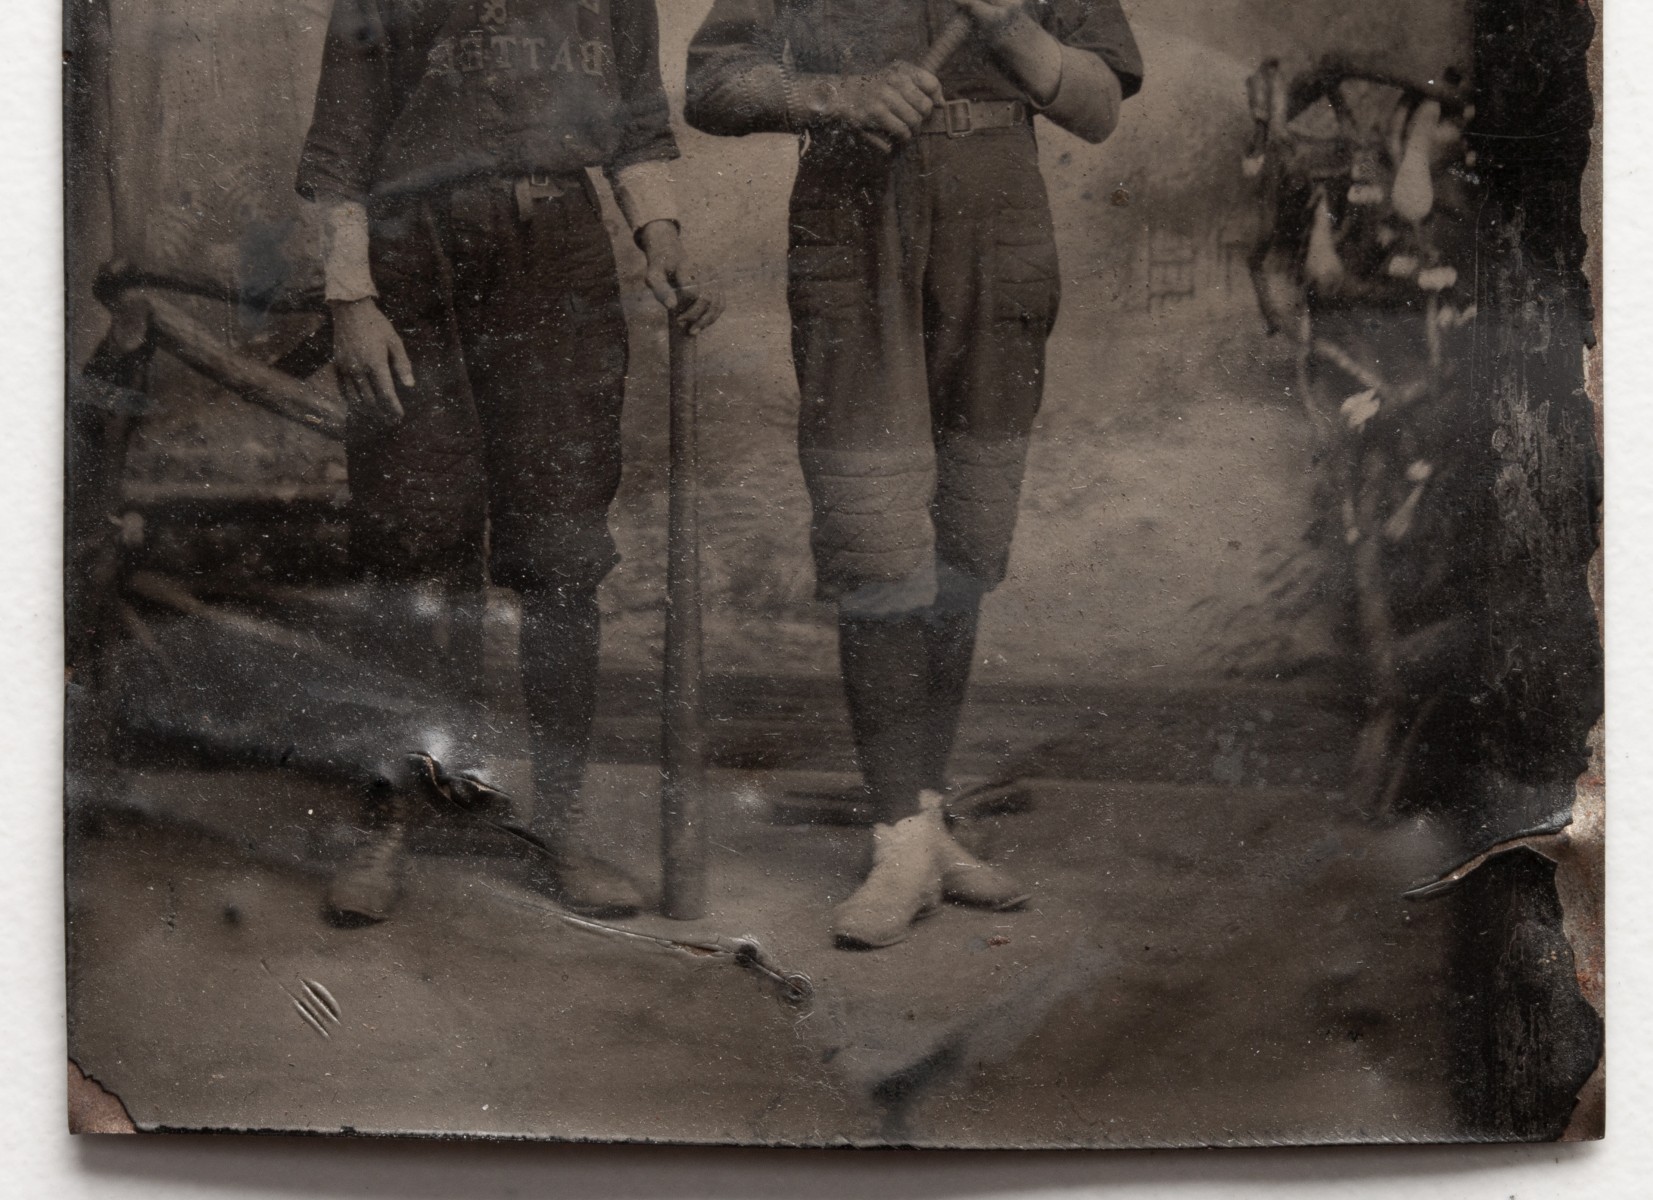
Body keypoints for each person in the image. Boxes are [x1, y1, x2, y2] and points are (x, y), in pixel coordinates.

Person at [685, 0, 1141, 948]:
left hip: (999, 219)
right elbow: (712, 82)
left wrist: (1009, 26)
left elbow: (1097, 105)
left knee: (967, 536)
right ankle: (897, 835)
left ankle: (927, 820)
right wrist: (835, 94)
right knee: (876, 533)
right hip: (854, 220)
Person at [296, 0, 722, 925]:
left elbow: (638, 125)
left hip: (556, 259)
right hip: (412, 263)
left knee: (561, 557)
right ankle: (390, 820)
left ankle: (558, 827)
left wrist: (663, 239)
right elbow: (340, 143)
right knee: (412, 543)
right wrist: (350, 300)